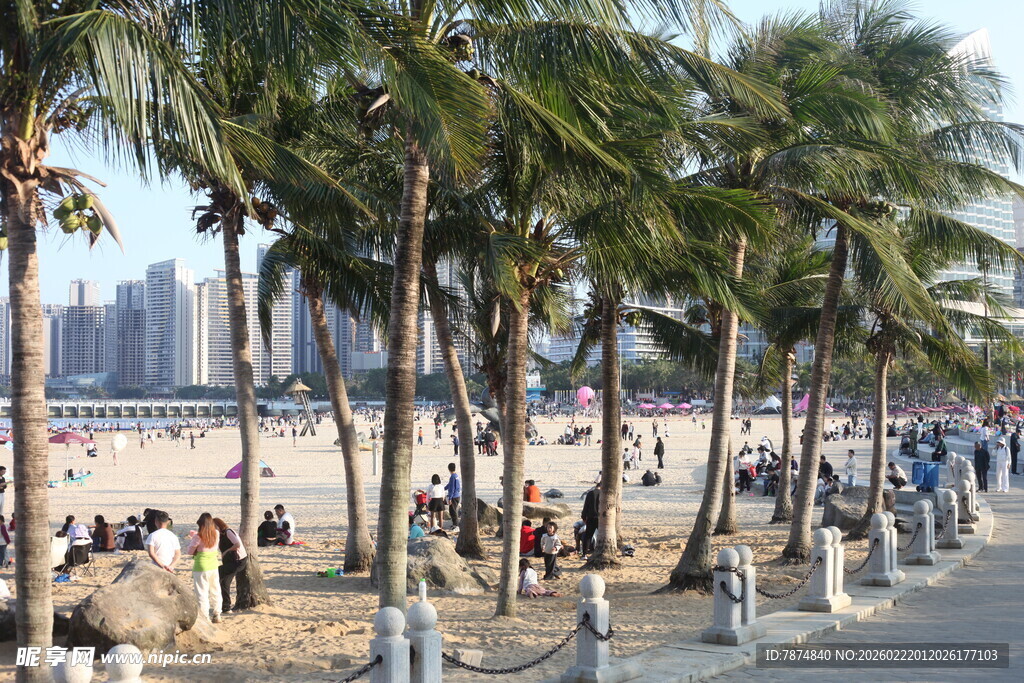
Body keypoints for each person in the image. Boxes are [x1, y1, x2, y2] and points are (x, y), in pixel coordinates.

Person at [187, 513, 222, 623]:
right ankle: (217, 613)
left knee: (202, 592)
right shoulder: (216, 533)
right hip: (213, 564)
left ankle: (205, 616)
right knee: (215, 590)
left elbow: (190, 551)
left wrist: (192, 538)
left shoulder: (198, 536)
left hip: (201, 566)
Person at [213, 518, 247, 614]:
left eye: (214, 526)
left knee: (218, 573)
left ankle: (224, 605)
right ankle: (226, 607)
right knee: (224, 583)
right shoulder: (220, 535)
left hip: (238, 561)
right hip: (230, 561)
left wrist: (227, 551)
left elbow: (237, 544)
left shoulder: (228, 532)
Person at [580, 486, 599, 560]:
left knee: (588, 536)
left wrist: (583, 516)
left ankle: (584, 554)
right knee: (602, 535)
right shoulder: (604, 493)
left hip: (591, 517)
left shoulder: (590, 493)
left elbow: (586, 506)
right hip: (601, 518)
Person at [444, 462, 462, 528]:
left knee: (452, 511)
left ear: (449, 469)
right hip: (457, 495)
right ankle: (455, 523)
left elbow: (451, 488)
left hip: (454, 496)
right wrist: (444, 488)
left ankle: (455, 524)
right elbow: (450, 485)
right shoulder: (456, 476)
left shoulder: (452, 477)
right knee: (453, 510)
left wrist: (450, 498)